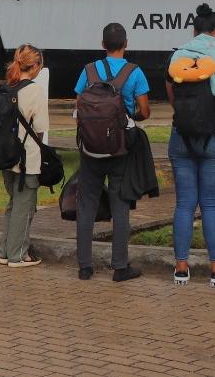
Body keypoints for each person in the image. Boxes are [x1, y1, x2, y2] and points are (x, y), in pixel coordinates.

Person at [166, 4, 215, 287]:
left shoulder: (177, 55)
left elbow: (173, 98)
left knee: (184, 203)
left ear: (193, 30)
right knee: (211, 204)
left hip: (181, 135)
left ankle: (181, 269)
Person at [73, 23, 150, 282]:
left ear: (102, 44)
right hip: (120, 150)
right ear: (126, 43)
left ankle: (84, 266)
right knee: (120, 207)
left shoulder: (89, 70)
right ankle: (119, 267)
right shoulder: (134, 72)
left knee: (86, 205)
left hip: (90, 149)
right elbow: (145, 111)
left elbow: (79, 109)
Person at [0, 45, 48, 268]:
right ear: (36, 66)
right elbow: (40, 127)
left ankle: (5, 251)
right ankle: (18, 254)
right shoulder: (35, 90)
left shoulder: (7, 86)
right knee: (25, 206)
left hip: (5, 155)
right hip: (27, 157)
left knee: (12, 203)